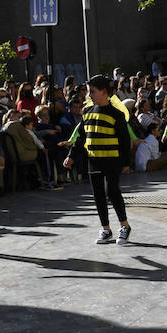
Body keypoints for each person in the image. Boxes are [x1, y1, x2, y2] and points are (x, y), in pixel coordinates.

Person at [64, 76, 134, 244]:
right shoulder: (87, 112)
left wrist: (126, 163)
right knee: (98, 195)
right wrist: (71, 155)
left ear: (104, 92)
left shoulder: (116, 115)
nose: (89, 95)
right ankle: (105, 228)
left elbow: (124, 141)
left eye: (92, 91)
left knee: (112, 191)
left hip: (112, 160)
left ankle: (124, 225)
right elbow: (81, 137)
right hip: (94, 160)